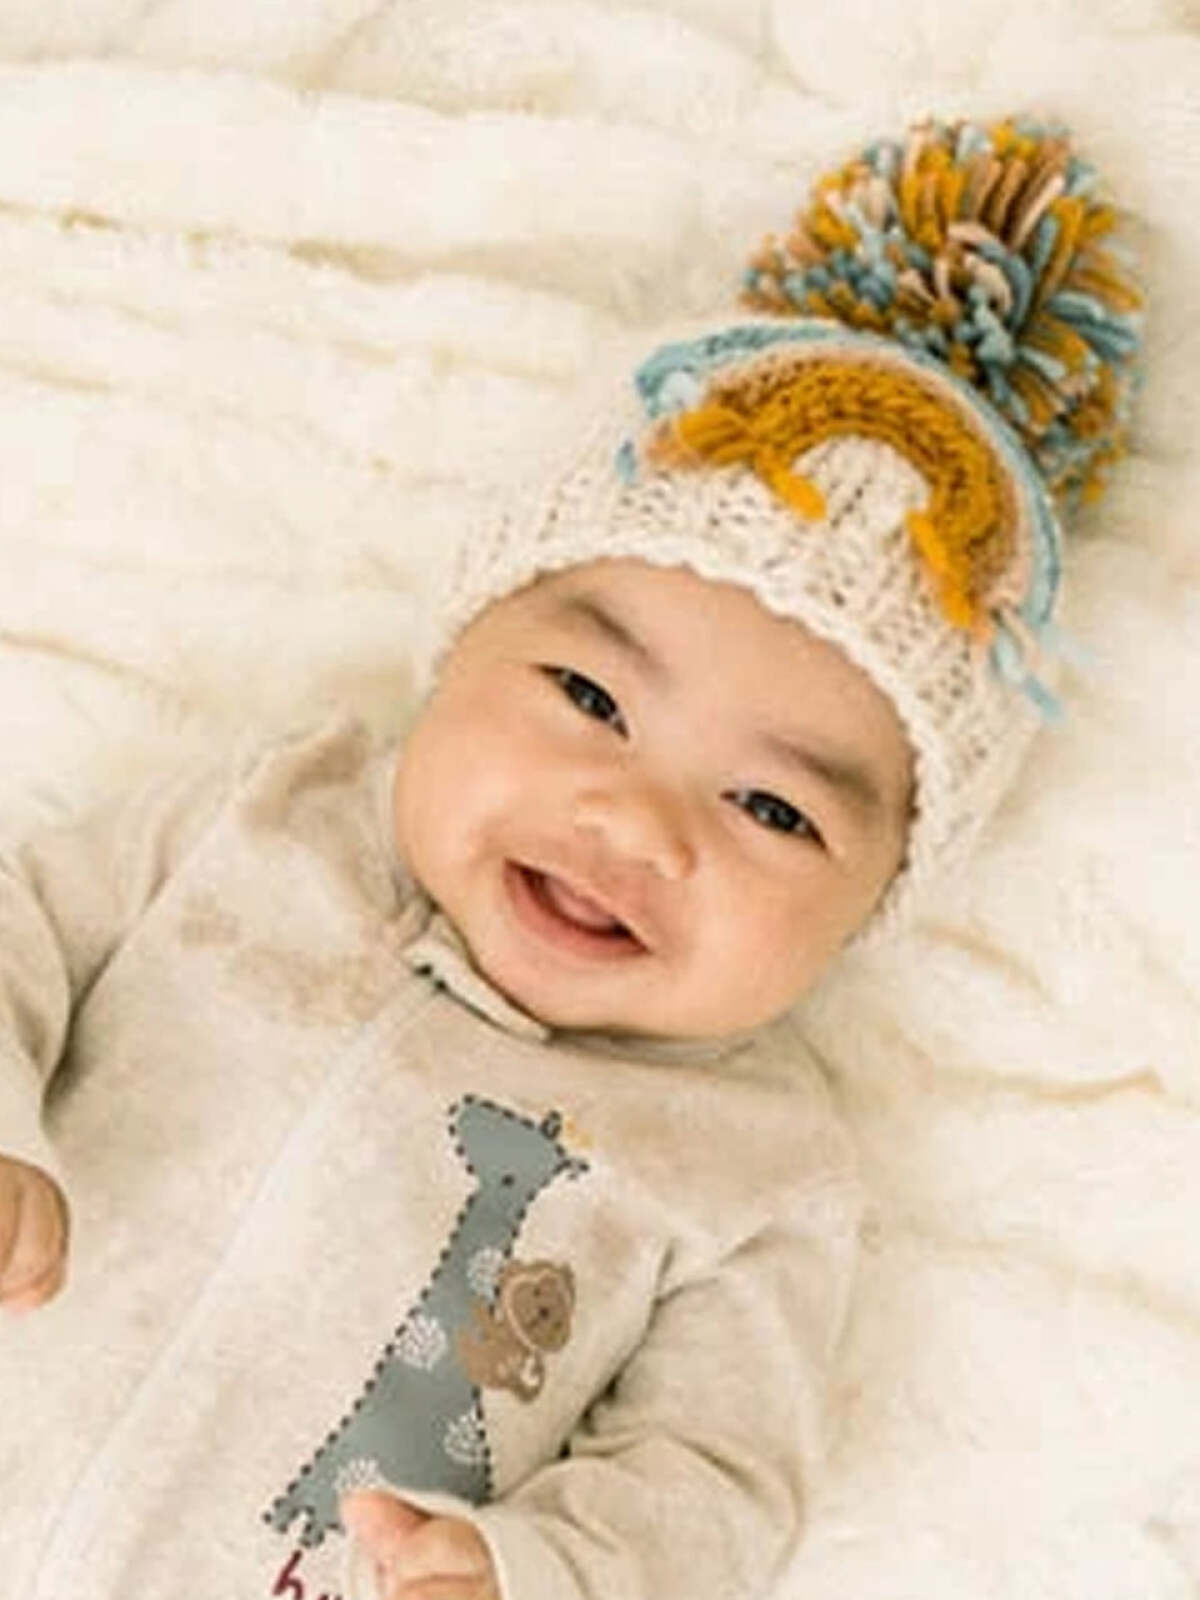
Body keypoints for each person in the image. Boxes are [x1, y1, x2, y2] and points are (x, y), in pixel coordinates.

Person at [0, 114, 1141, 1600]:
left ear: (874, 908)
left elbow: (711, 1486)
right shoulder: (269, 818)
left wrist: (532, 1569)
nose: (635, 825)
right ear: (461, 649)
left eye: (775, 812)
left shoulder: (757, 1176)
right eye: (590, 700)